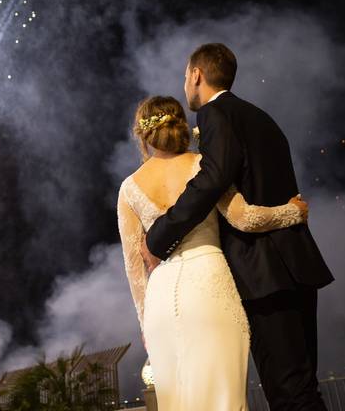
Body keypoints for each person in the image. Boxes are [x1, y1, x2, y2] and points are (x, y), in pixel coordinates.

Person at [143, 43, 334, 410]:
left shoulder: (215, 115)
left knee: (287, 392)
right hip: (295, 264)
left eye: (185, 76)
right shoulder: (263, 119)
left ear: (197, 75)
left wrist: (160, 235)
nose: (185, 85)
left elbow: (212, 179)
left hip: (263, 272)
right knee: (302, 386)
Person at [118, 95, 310, 410]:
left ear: (142, 134)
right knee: (224, 397)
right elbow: (245, 218)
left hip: (160, 303)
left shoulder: (129, 188)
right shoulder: (203, 167)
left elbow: (134, 269)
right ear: (182, 127)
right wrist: (292, 212)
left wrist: (144, 326)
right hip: (209, 285)